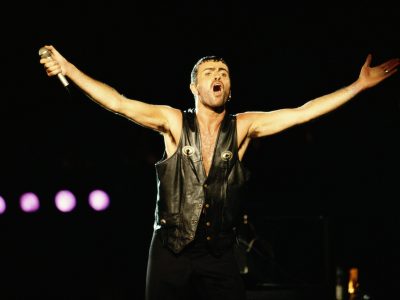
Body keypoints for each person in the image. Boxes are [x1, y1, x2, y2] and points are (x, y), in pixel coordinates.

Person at [39, 45, 399, 300]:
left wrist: (358, 86)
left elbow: (303, 111)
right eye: (209, 73)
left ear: (229, 88)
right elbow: (118, 102)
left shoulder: (244, 126)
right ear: (195, 87)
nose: (218, 77)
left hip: (220, 253)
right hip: (170, 249)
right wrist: (69, 68)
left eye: (223, 74)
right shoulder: (172, 121)